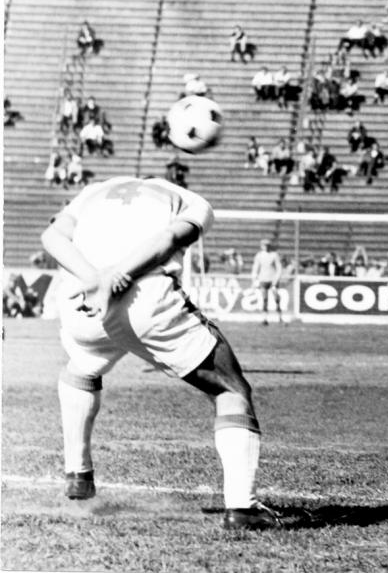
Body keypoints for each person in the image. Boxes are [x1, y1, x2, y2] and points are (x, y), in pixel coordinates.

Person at [39, 176, 280, 530]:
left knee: (83, 365)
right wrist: (112, 278)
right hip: (141, 296)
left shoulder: (95, 190)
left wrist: (94, 279)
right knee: (231, 389)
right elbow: (167, 240)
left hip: (79, 298)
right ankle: (243, 509)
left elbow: (51, 238)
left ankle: (78, 473)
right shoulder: (193, 201)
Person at [250, 239, 284, 325]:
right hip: (263, 280)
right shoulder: (259, 255)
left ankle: (280, 317)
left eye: (267, 245)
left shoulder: (274, 255)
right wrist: (254, 279)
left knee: (276, 298)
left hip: (272, 280)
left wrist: (276, 279)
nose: (266, 247)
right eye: (264, 245)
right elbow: (255, 268)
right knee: (264, 299)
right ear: (261, 246)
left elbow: (279, 268)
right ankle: (264, 319)